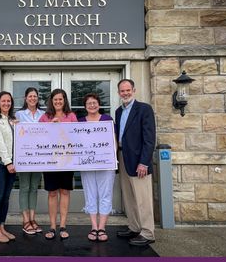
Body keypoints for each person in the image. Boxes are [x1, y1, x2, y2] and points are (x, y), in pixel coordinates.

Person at [115, 79, 156, 246]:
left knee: (143, 198)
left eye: (128, 90)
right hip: (123, 157)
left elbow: (149, 138)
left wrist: (144, 162)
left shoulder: (144, 109)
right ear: (118, 93)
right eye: (122, 91)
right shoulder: (118, 111)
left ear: (134, 90)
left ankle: (147, 232)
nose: (125, 93)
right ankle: (134, 227)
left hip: (139, 161)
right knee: (129, 196)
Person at [39, 89, 78, 240]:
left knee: (65, 192)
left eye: (60, 99)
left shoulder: (71, 116)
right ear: (51, 101)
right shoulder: (45, 117)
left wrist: (62, 127)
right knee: (52, 192)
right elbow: (37, 137)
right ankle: (52, 226)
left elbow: (76, 137)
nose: (58, 102)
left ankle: (63, 225)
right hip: (50, 161)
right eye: (55, 99)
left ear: (64, 100)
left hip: (67, 160)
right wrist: (51, 126)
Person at [78, 93, 115, 242]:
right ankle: (94, 227)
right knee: (90, 194)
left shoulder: (108, 120)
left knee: (105, 194)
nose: (92, 105)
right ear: (85, 106)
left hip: (106, 164)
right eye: (89, 103)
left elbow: (114, 141)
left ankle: (102, 227)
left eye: (94, 103)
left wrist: (113, 160)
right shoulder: (80, 122)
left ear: (98, 104)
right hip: (86, 164)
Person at [15, 87, 45, 235]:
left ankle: (33, 219)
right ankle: (25, 220)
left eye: (35, 96)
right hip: (24, 157)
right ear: (25, 98)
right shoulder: (19, 115)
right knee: (25, 187)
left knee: (34, 187)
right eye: (30, 96)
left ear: (38, 98)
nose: (33, 98)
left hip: (39, 157)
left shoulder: (44, 114)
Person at [0, 91, 17, 243]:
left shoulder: (12, 120)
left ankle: (2, 226)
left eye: (9, 101)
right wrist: (8, 162)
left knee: (6, 197)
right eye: (3, 101)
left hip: (11, 163)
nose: (6, 103)